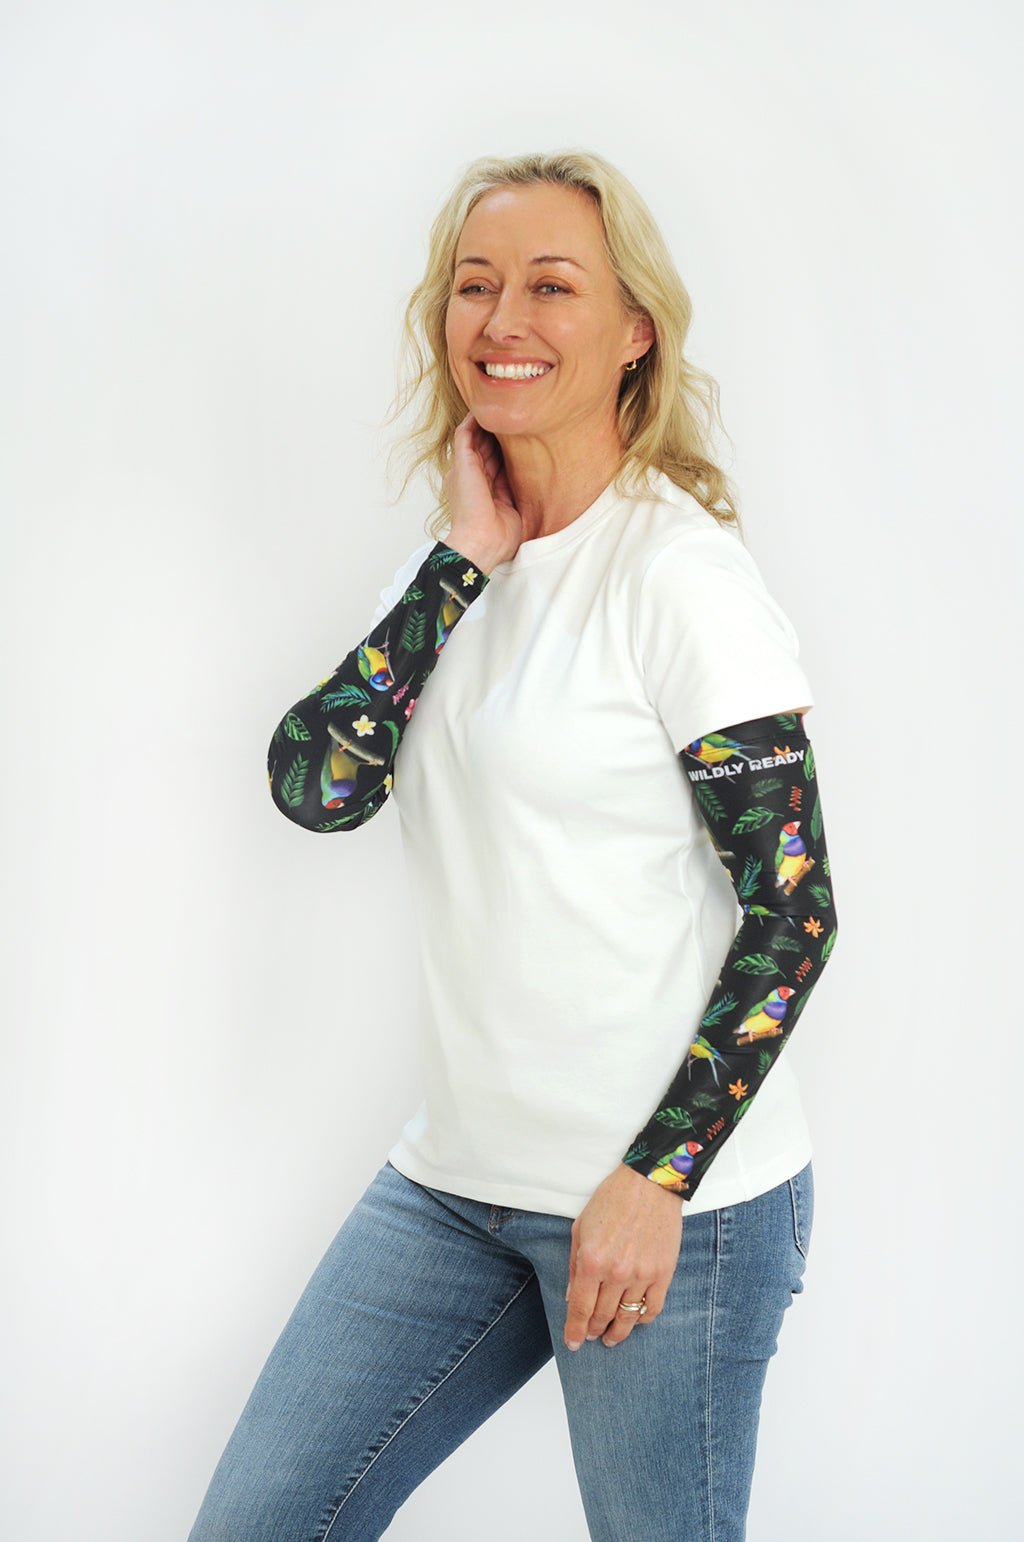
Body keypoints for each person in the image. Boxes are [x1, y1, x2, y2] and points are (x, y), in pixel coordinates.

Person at [187, 149, 838, 1541]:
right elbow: (315, 787)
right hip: (455, 1189)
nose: (503, 320)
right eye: (474, 285)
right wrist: (463, 561)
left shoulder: (681, 579)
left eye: (552, 286)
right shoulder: (460, 573)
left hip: (671, 1208)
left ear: (635, 330)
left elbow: (794, 912)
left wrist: (655, 1182)